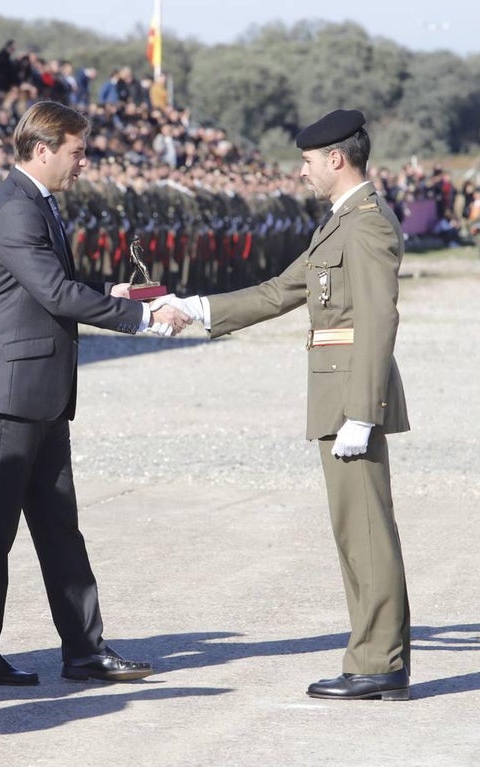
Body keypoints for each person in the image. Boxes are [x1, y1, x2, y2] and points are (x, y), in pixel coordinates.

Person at [161, 109, 412, 701]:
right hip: (337, 394)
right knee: (353, 532)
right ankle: (371, 655)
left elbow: (379, 319)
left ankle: (380, 661)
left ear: (335, 159)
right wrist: (193, 308)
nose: (301, 172)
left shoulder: (367, 225)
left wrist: (363, 410)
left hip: (352, 397)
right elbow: (280, 292)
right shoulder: (339, 224)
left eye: (306, 161)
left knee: (367, 530)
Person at [0, 101, 191, 686]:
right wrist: (141, 317)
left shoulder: (37, 203)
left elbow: (45, 289)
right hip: (8, 393)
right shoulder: (15, 209)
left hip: (39, 391)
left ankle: (84, 648)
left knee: (59, 525)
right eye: (76, 152)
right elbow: (56, 293)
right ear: (42, 149)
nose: (83, 163)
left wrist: (115, 294)